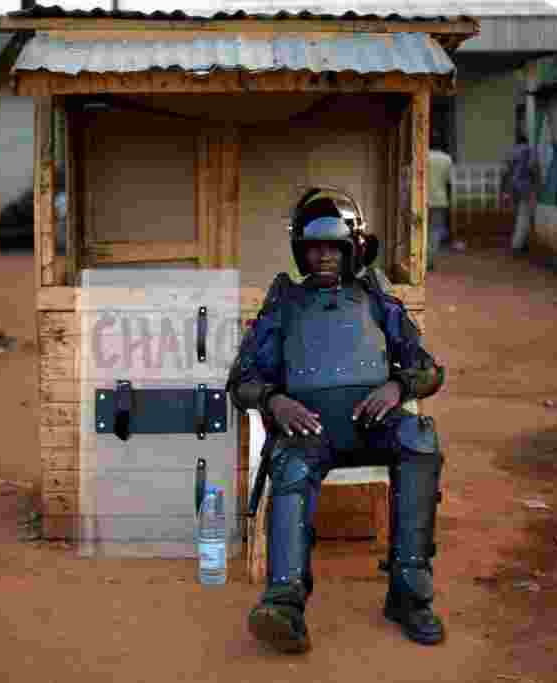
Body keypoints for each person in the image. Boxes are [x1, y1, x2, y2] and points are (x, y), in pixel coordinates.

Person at [226, 187, 447, 653]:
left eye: (334, 247)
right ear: (301, 252)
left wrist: (397, 386)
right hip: (311, 431)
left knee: (419, 439)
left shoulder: (375, 297)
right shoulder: (285, 302)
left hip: (372, 423)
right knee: (290, 462)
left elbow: (428, 368)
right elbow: (240, 380)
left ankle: (409, 594)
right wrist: (273, 400)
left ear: (352, 250)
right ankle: (284, 602)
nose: (324, 256)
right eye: (314, 247)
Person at [501, 133, 540, 253]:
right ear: (526, 141)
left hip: (512, 188)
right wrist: (536, 183)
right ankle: (517, 245)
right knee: (524, 216)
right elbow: (532, 168)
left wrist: (505, 191)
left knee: (518, 215)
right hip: (525, 188)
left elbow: (505, 172)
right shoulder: (530, 151)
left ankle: (522, 243)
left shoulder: (511, 153)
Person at [427, 139, 454, 271]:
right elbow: (449, 183)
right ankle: (430, 260)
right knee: (435, 231)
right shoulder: (447, 159)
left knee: (421, 230)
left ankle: (421, 260)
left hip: (422, 199)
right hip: (440, 199)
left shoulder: (423, 156)